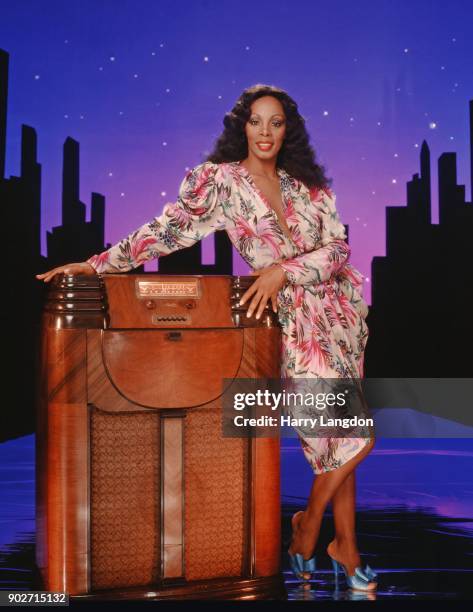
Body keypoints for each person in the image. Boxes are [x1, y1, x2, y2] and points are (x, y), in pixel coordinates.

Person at [36, 84, 376, 591]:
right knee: (354, 437)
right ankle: (307, 530)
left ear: (288, 129)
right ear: (242, 125)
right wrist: (95, 265)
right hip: (297, 327)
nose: (265, 132)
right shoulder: (220, 183)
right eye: (256, 121)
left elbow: (338, 251)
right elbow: (166, 231)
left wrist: (283, 270)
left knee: (336, 441)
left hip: (341, 317)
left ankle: (344, 546)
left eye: (276, 122)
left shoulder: (310, 187)